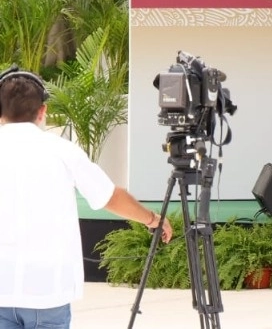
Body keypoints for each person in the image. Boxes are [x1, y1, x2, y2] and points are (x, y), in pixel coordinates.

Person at [0, 70, 173, 329]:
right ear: (42, 110)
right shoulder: (61, 150)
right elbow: (109, 196)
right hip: (49, 291)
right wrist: (152, 219)